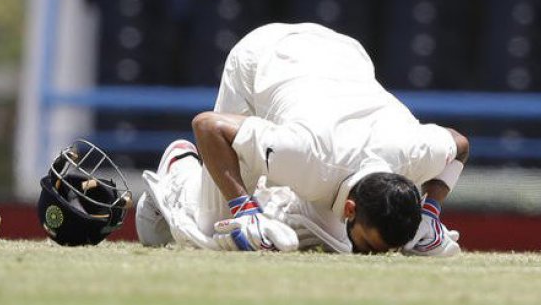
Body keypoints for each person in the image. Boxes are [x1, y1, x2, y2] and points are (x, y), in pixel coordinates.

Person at [135, 22, 469, 255]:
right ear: (350, 208)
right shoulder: (305, 155)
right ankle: (181, 170)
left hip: (343, 52)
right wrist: (244, 209)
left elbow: (459, 144)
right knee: (212, 227)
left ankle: (271, 198)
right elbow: (207, 126)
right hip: (264, 56)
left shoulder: (416, 153)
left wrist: (430, 213)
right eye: (368, 247)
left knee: (329, 237)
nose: (371, 258)